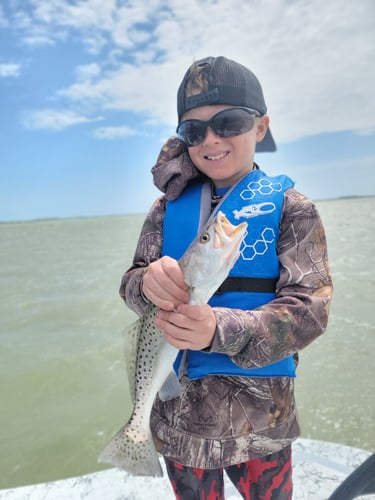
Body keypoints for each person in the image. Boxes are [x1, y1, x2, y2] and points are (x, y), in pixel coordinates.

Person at [120, 56, 333, 499]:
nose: (211, 139)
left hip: (261, 426)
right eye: (193, 131)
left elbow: (310, 311)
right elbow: (130, 285)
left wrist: (221, 328)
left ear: (259, 127)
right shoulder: (165, 211)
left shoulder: (294, 210)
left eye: (229, 122)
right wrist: (144, 284)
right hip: (177, 424)